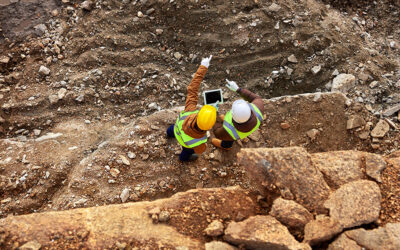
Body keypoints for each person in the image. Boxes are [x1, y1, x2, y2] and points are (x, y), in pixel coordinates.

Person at [166, 55, 216, 161]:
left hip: (176, 130)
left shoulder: (190, 110)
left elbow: (192, 88)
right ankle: (183, 159)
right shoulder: (201, 141)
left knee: (171, 130)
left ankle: (168, 134)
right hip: (185, 144)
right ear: (209, 127)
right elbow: (200, 150)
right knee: (187, 153)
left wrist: (203, 67)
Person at [212, 79, 264, 150]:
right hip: (247, 128)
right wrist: (238, 89)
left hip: (232, 135)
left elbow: (216, 132)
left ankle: (226, 146)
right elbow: (255, 98)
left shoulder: (229, 131)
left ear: (232, 116)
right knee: (230, 136)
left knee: (228, 139)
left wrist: (215, 113)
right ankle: (226, 124)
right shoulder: (258, 110)